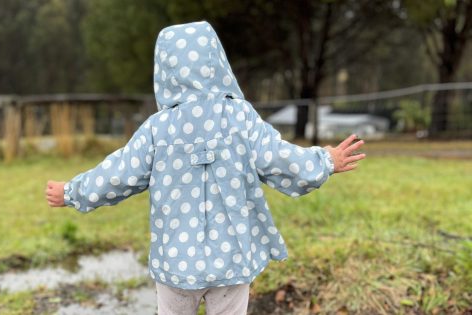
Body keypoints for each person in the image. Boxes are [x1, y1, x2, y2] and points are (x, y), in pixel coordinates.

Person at [45, 21, 365, 315]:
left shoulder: (158, 128)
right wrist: (324, 161)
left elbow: (118, 173)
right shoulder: (239, 116)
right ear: (217, 62)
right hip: (232, 259)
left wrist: (72, 192)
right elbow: (278, 157)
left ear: (165, 69)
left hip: (175, 263)